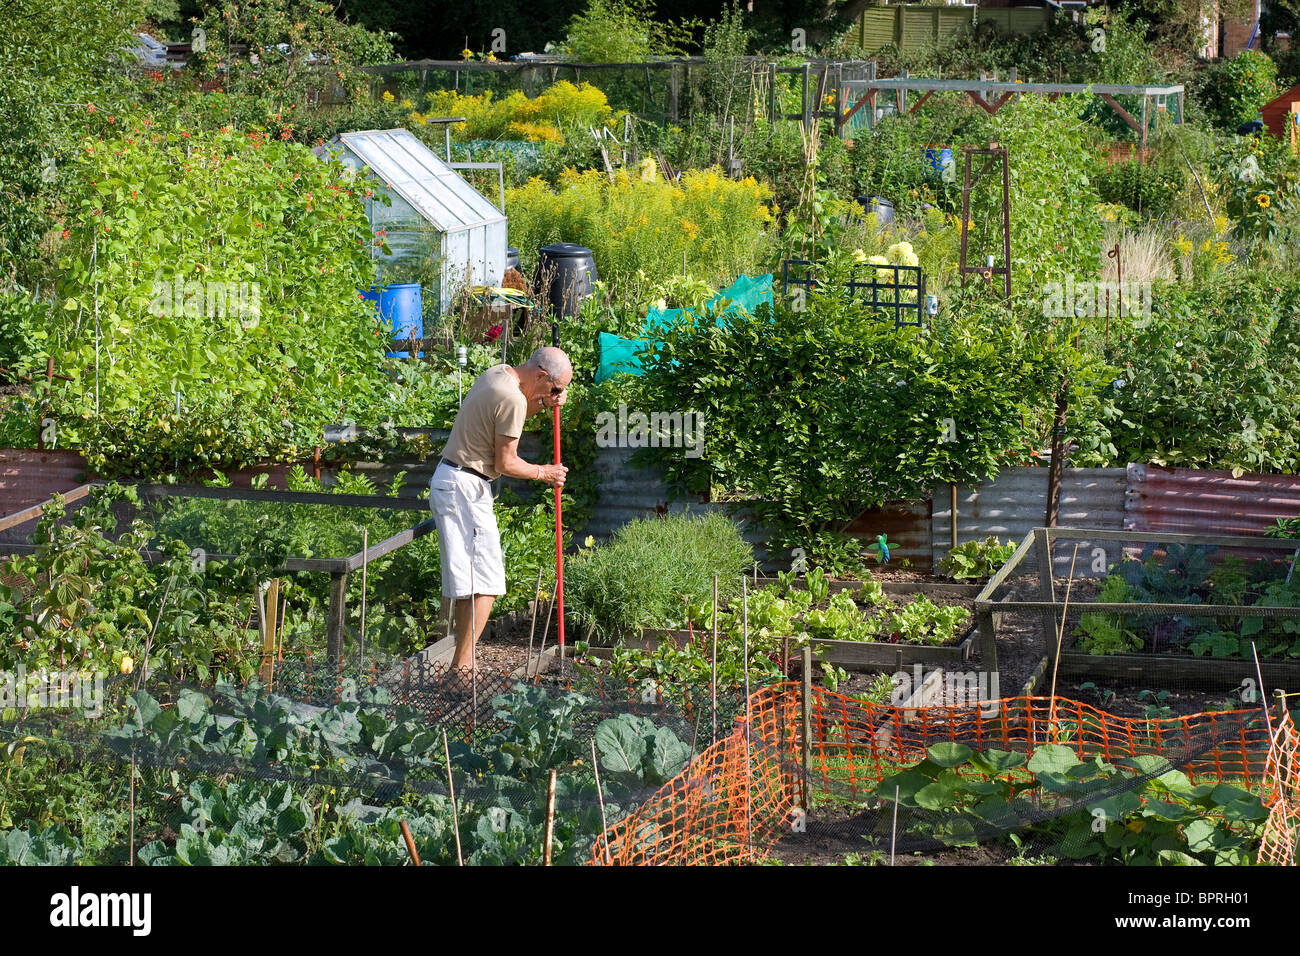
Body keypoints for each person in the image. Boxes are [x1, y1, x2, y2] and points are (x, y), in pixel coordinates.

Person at [430, 346, 570, 685]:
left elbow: (510, 414)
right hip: (466, 487)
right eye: (555, 389)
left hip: (454, 479)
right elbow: (504, 463)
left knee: (473, 584)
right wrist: (544, 473)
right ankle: (461, 670)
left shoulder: (499, 374)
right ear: (540, 376)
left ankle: (462, 666)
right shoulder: (515, 400)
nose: (559, 395)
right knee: (488, 583)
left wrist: (544, 403)